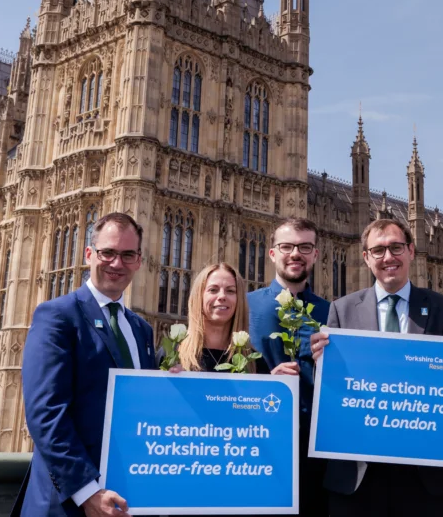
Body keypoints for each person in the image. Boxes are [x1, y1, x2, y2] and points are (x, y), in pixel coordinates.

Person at [309, 217, 443, 517]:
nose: (388, 257)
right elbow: (332, 392)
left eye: (395, 247)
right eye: (378, 251)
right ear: (365, 257)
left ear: (411, 251)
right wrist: (321, 365)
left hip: (425, 474)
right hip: (360, 475)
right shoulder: (341, 309)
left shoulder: (442, 307)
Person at [16, 212, 157, 517]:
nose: (117, 264)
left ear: (138, 261)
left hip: (125, 499)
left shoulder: (141, 330)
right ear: (89, 254)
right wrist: (87, 491)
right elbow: (45, 414)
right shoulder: (58, 315)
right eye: (108, 253)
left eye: (127, 255)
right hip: (66, 504)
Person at [249, 217, 332, 517]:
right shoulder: (245, 307)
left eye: (304, 247)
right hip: (259, 449)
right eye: (286, 247)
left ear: (315, 254)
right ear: (272, 253)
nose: (295, 254)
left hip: (316, 456)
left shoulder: (331, 312)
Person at [173, 262, 269, 375]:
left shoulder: (254, 362)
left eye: (230, 291)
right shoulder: (173, 356)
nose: (222, 296)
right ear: (199, 296)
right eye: (213, 290)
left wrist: (276, 383)